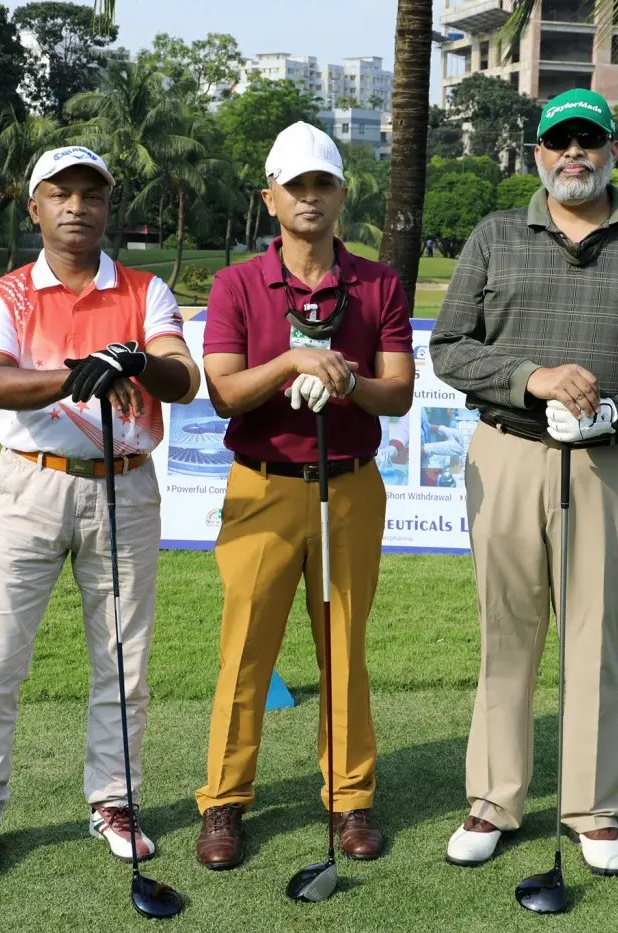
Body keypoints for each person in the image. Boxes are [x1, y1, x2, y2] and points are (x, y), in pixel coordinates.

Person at [430, 88, 618, 876]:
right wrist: (533, 377)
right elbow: (450, 347)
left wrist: (617, 410)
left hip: (608, 462)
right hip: (508, 453)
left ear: (613, 151)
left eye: (589, 140)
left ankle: (592, 808)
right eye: (560, 141)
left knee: (596, 636)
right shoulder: (495, 235)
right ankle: (494, 798)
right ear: (539, 154)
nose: (574, 154)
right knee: (506, 632)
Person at [0, 146, 201, 875]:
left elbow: (182, 378)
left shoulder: (146, 290)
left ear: (107, 206)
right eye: (60, 194)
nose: (76, 207)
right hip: (31, 486)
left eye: (91, 194)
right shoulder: (6, 295)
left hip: (126, 486)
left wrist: (135, 361)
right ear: (35, 208)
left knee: (123, 661)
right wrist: (76, 375)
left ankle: (114, 800)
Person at [193, 121, 415, 869]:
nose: (310, 197)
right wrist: (292, 360)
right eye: (296, 186)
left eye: (323, 184)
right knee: (246, 650)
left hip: (350, 485)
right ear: (271, 199)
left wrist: (348, 380)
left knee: (344, 647)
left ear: (342, 195)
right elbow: (225, 393)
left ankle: (350, 797)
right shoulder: (236, 284)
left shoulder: (378, 283)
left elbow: (398, 394)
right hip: (263, 486)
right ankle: (224, 800)